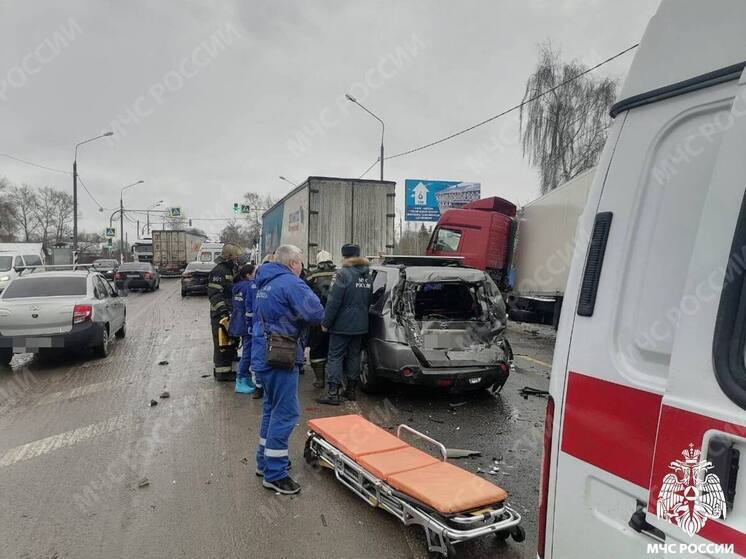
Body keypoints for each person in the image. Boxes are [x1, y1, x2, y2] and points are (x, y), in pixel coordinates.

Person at [252, 244, 324, 495]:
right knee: (286, 413)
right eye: (301, 263)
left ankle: (264, 462)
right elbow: (316, 313)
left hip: (264, 353)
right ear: (293, 263)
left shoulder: (264, 281)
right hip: (282, 355)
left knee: (271, 410)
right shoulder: (291, 283)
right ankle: (275, 473)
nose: (302, 268)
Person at [317, 243, 372, 405]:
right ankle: (351, 390)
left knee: (335, 356)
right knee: (354, 356)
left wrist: (326, 323)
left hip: (341, 325)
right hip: (361, 324)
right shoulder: (367, 275)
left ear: (344, 256)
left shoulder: (342, 274)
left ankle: (333, 393)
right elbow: (368, 300)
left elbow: (333, 302)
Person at [208, 243, 244, 381]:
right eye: (235, 258)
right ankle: (222, 373)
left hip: (229, 312)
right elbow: (214, 294)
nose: (236, 260)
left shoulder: (230, 270)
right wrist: (223, 311)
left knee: (229, 342)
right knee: (221, 344)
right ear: (228, 257)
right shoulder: (219, 271)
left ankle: (227, 366)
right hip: (220, 315)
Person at [304, 250, 336, 389]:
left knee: (317, 348)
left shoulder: (311, 276)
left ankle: (319, 380)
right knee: (335, 350)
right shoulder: (340, 274)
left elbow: (303, 294)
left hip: (317, 318)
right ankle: (334, 381)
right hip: (336, 319)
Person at [229, 262, 257, 394]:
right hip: (246, 322)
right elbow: (250, 306)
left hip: (237, 320)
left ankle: (244, 379)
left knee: (247, 350)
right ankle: (241, 379)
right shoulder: (249, 287)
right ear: (248, 275)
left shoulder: (237, 286)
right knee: (248, 352)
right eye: (254, 273)